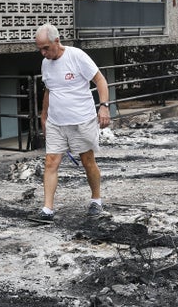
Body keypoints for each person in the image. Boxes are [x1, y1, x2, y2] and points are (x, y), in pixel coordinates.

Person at [31, 23, 111, 223]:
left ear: (56, 41)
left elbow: (100, 80)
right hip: (57, 123)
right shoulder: (45, 64)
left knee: (87, 161)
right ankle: (47, 209)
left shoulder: (77, 56)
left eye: (46, 48)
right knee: (51, 162)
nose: (43, 53)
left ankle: (96, 200)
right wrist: (44, 115)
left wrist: (104, 106)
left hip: (81, 121)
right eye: (39, 49)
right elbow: (49, 90)